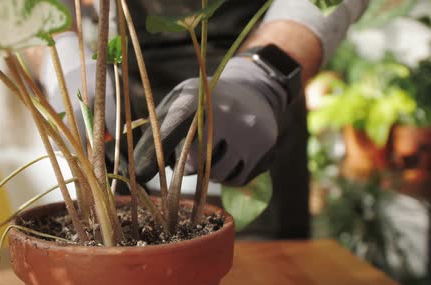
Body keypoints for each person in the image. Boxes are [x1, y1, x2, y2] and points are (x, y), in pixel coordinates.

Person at [34, 0, 370, 239]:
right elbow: (18, 14)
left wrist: (264, 74)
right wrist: (62, 59)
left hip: (256, 110)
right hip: (129, 98)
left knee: (270, 277)